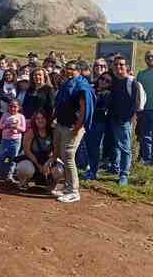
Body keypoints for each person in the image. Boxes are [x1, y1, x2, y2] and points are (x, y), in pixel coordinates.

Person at [53, 60, 95, 203]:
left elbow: (84, 109)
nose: (68, 71)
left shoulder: (81, 86)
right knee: (63, 156)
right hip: (62, 124)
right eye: (66, 68)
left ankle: (73, 191)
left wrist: (77, 128)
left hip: (72, 126)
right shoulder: (67, 83)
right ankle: (67, 187)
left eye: (71, 69)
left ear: (79, 70)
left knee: (68, 156)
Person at [108, 55, 140, 185]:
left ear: (127, 66)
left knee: (125, 148)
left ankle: (124, 174)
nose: (118, 67)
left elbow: (136, 103)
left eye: (121, 64)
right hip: (113, 118)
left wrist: (131, 119)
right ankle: (115, 168)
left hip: (125, 120)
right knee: (116, 145)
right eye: (115, 64)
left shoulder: (132, 82)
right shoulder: (113, 81)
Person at [15, 110, 64, 192]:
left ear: (47, 119)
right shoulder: (31, 132)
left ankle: (52, 186)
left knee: (59, 170)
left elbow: (56, 152)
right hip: (31, 158)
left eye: (43, 118)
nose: (40, 120)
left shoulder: (53, 132)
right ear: (34, 120)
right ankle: (23, 183)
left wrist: (47, 164)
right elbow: (27, 151)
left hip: (47, 159)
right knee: (25, 168)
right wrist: (38, 165)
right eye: (37, 118)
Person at [84, 72, 111, 180]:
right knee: (87, 146)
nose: (103, 81)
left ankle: (93, 171)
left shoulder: (107, 94)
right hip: (86, 121)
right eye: (102, 78)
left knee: (94, 147)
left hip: (98, 122)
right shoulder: (91, 89)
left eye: (107, 81)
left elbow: (102, 109)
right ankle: (90, 168)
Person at [0, 99, 26, 182]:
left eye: (15, 107)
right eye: (10, 106)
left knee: (13, 158)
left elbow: (23, 129)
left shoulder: (21, 116)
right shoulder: (5, 115)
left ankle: (9, 175)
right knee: (1, 157)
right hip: (5, 140)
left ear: (19, 107)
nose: (12, 108)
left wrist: (16, 127)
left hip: (16, 141)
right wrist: (6, 125)